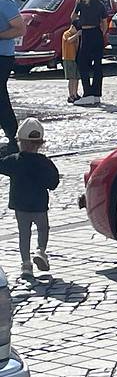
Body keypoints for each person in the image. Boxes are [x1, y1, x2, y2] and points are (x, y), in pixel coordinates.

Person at [0, 118, 59, 279]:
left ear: (19, 142)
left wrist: (6, 150)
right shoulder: (45, 162)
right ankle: (40, 251)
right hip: (39, 205)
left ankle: (26, 264)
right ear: (40, 144)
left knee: (24, 234)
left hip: (20, 206)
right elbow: (54, 182)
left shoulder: (14, 160)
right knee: (43, 229)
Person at [71, 0, 107, 106]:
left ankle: (88, 93)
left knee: (82, 63)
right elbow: (104, 23)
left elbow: (73, 17)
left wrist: (79, 22)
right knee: (98, 65)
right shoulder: (100, 4)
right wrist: (101, 33)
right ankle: (96, 94)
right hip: (97, 33)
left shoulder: (80, 2)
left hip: (86, 33)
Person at [0, 0, 25, 154]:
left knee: (0, 95)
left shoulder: (4, 2)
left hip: (2, 56)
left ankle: (12, 134)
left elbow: (20, 28)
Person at [62, 22, 81, 103]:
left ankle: (75, 93)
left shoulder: (76, 35)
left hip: (75, 58)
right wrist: (77, 35)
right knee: (71, 78)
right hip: (68, 58)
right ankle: (71, 95)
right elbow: (69, 40)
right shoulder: (66, 34)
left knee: (76, 77)